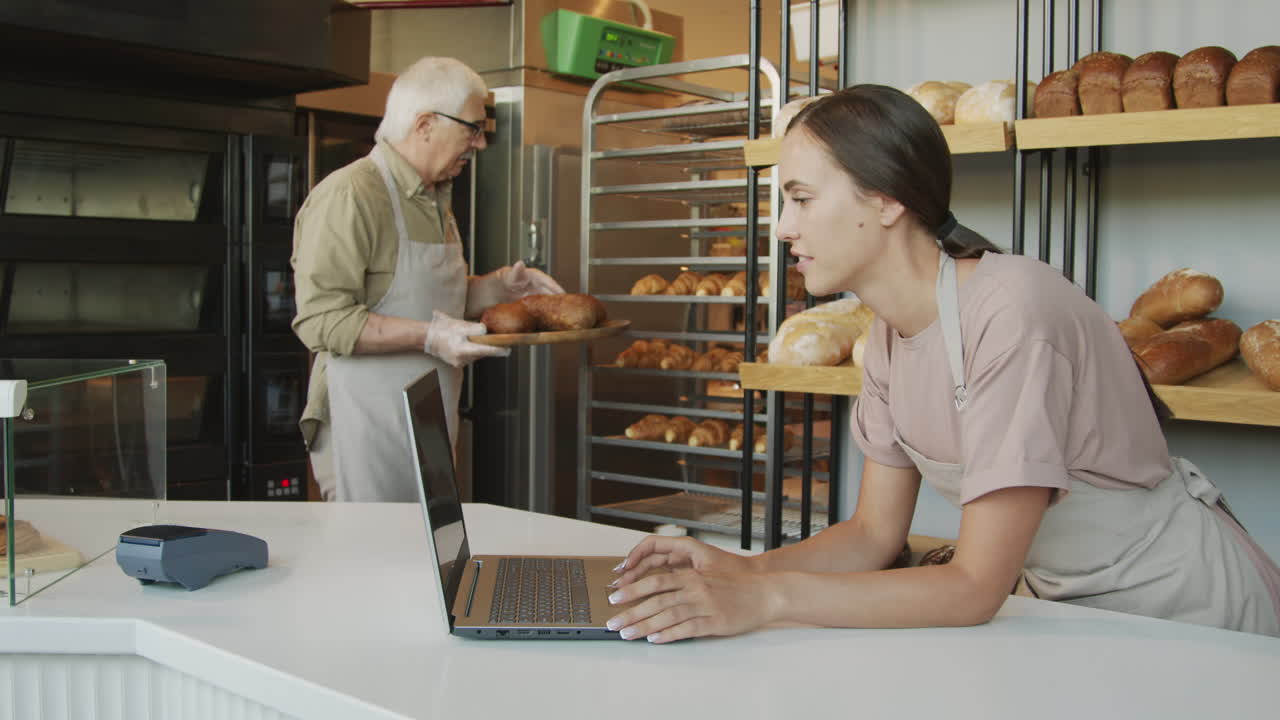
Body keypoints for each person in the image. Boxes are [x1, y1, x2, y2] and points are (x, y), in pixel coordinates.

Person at [605, 84, 1280, 642]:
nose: (782, 228)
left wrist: (768, 601)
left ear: (888, 199)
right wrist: (739, 571)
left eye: (801, 199)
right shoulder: (893, 336)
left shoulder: (1010, 311)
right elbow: (872, 536)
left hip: (1191, 617)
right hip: (1075, 620)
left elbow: (974, 588)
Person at [291, 57, 564, 502]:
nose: (478, 144)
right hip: (365, 423)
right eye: (473, 129)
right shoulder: (351, 196)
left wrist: (497, 288)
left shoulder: (433, 196)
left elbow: (428, 300)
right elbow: (321, 321)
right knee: (377, 564)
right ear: (425, 125)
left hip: (427, 418)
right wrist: (430, 337)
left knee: (429, 561)